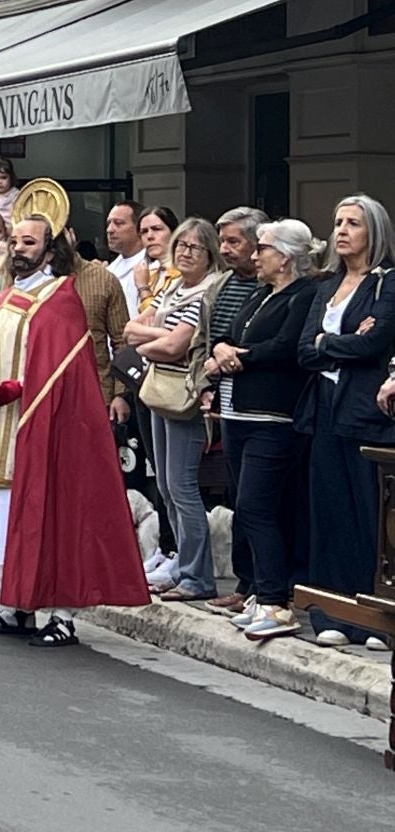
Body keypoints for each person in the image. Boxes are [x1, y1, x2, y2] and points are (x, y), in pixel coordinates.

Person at [0, 198, 146, 646]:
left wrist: (20, 388)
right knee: (6, 517)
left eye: (29, 242)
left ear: (49, 251)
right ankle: (13, 606)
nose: (19, 248)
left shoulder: (60, 296)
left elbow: (61, 368)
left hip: (45, 423)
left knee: (54, 514)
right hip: (3, 423)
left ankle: (59, 615)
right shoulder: (6, 293)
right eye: (15, 240)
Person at [206, 220, 319, 641]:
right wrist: (220, 349)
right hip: (237, 413)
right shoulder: (258, 294)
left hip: (273, 417)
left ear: (285, 257)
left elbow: (288, 347)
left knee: (258, 504)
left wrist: (240, 357)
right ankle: (258, 589)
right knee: (243, 502)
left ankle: (276, 599)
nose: (256, 255)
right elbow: (227, 332)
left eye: (263, 249)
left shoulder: (303, 295)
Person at [296, 193, 395, 648]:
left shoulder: (386, 284)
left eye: (352, 223)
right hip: (324, 409)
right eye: (337, 222)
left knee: (368, 515)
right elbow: (304, 350)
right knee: (329, 510)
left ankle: (372, 616)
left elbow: (373, 346)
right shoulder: (324, 286)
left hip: (364, 414)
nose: (341, 231)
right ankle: (330, 612)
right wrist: (338, 342)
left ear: (373, 232)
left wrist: (326, 344)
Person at [122, 218, 221, 602]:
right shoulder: (175, 288)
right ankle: (182, 564)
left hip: (185, 394)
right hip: (158, 387)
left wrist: (158, 338)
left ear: (209, 253)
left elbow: (177, 346)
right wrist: (160, 338)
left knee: (182, 486)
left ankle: (199, 575)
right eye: (181, 246)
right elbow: (132, 330)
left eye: (194, 248)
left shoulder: (207, 292)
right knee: (164, 485)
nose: (185, 253)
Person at [200, 207, 265, 611]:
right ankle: (244, 582)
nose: (225, 249)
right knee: (239, 494)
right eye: (222, 241)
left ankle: (264, 584)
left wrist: (231, 355)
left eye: (234, 242)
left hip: (258, 404)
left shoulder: (268, 288)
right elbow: (214, 336)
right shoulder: (221, 284)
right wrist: (208, 383)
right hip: (222, 399)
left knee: (256, 501)